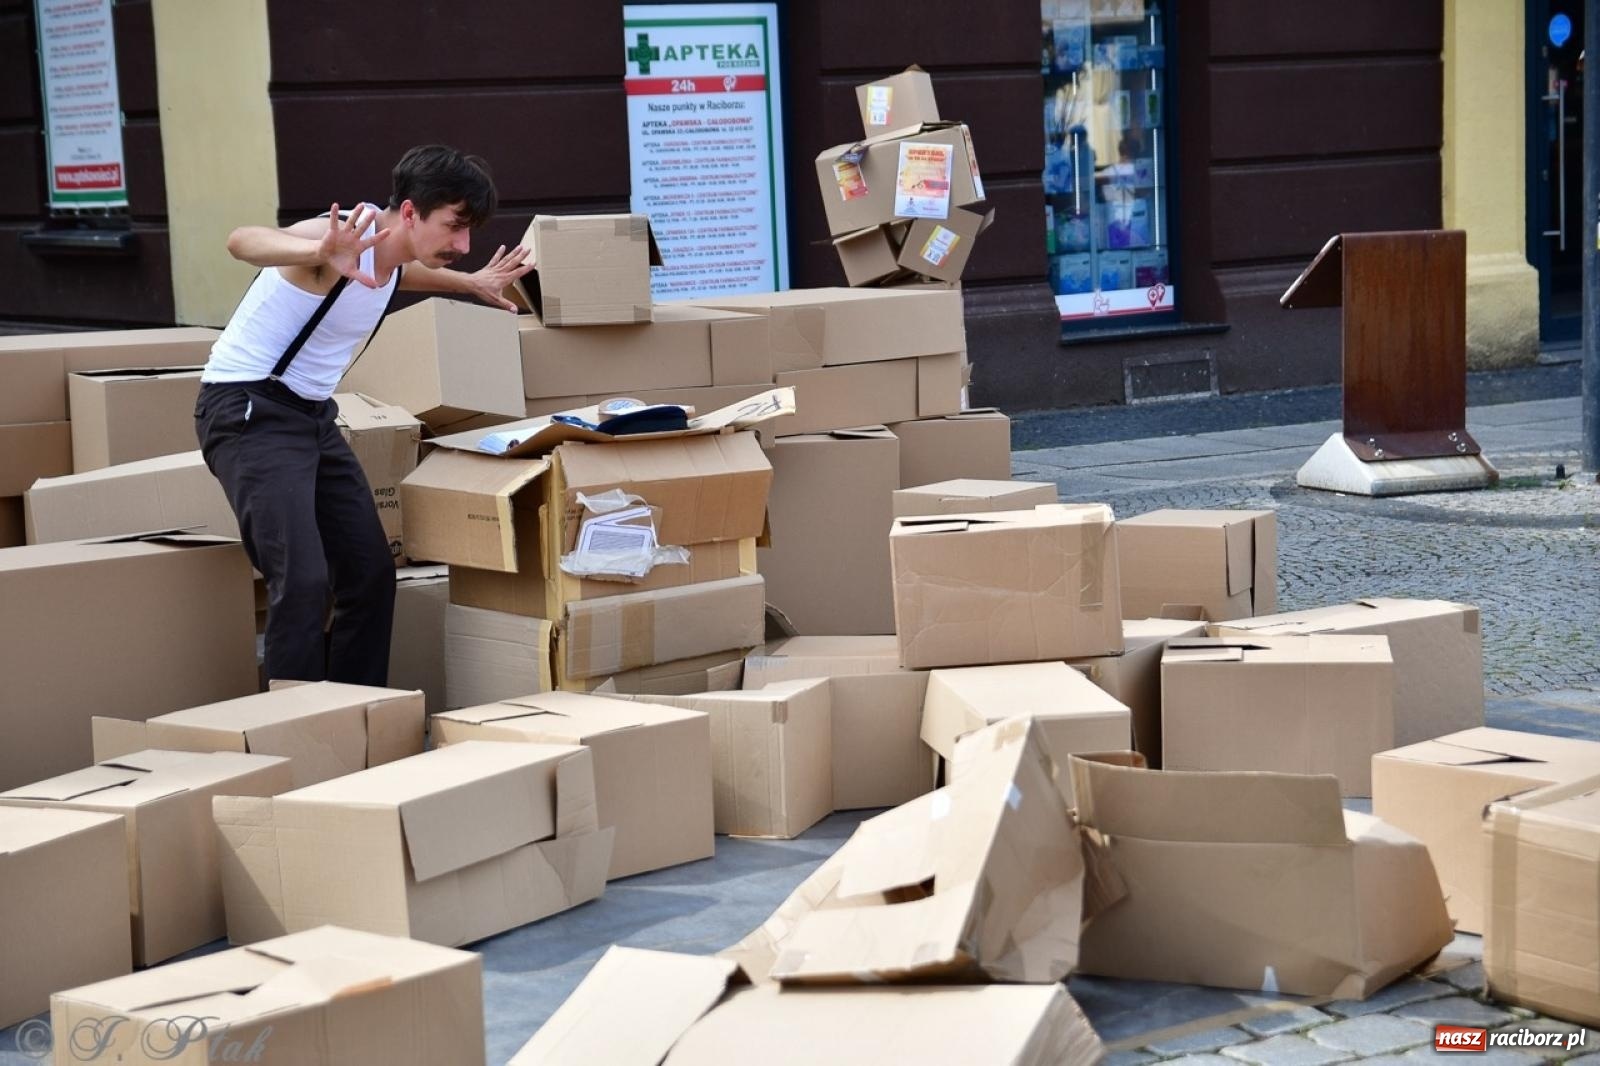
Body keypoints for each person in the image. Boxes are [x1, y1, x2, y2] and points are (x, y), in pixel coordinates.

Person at [195, 144, 532, 686]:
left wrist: (471, 283)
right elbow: (241, 241)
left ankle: (357, 712)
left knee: (370, 574)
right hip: (249, 410)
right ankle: (295, 728)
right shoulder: (346, 235)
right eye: (454, 227)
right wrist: (314, 250)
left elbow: (405, 275)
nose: (464, 245)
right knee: (303, 581)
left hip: (310, 418)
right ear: (408, 213)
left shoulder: (391, 259)